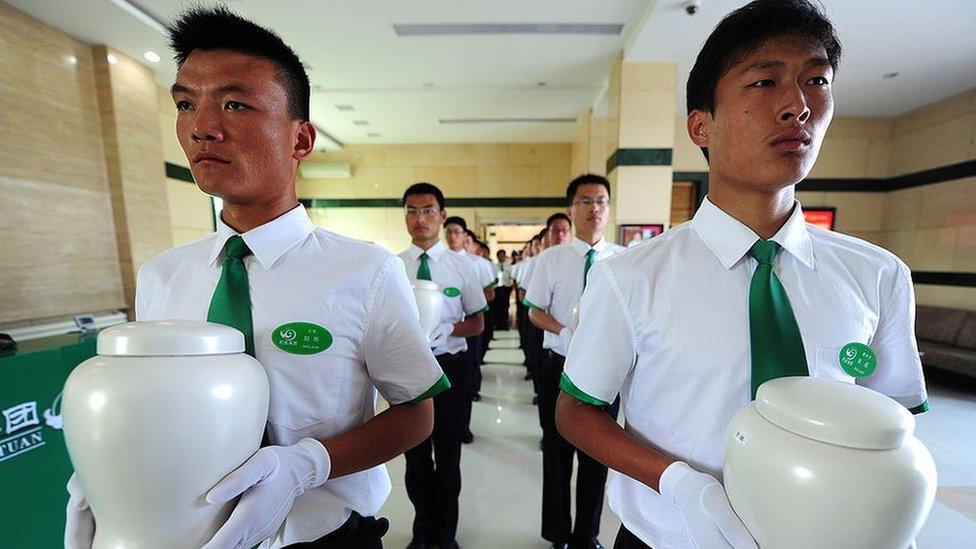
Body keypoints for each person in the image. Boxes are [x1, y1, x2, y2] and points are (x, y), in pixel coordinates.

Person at [65, 7, 445, 549]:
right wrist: (106, 478)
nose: (201, 127)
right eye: (184, 104)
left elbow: (415, 413)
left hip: (324, 536)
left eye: (235, 104)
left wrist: (309, 464)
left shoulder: (366, 272)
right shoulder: (163, 278)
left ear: (301, 140)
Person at [555, 2, 928, 548]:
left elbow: (890, 418)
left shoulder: (878, 276)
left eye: (816, 81)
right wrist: (680, 485)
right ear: (701, 125)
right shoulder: (631, 277)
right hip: (671, 538)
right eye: (765, 81)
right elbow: (577, 410)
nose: (798, 106)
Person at [525, 183, 623, 549]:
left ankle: (587, 534)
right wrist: (565, 330)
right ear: (571, 209)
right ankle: (557, 533)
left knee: (598, 454)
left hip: (606, 369)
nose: (593, 209)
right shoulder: (551, 258)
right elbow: (534, 311)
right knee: (557, 451)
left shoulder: (624, 258)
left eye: (601, 201)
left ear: (609, 209)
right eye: (585, 201)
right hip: (560, 366)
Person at [398, 184, 488, 549]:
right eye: (412, 211)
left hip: (451, 367)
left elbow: (478, 323)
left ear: (442, 215)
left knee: (448, 455)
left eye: (428, 210)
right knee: (415, 457)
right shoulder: (392, 266)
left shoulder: (463, 266)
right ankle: (424, 529)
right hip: (406, 372)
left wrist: (446, 327)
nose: (420, 219)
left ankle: (446, 532)